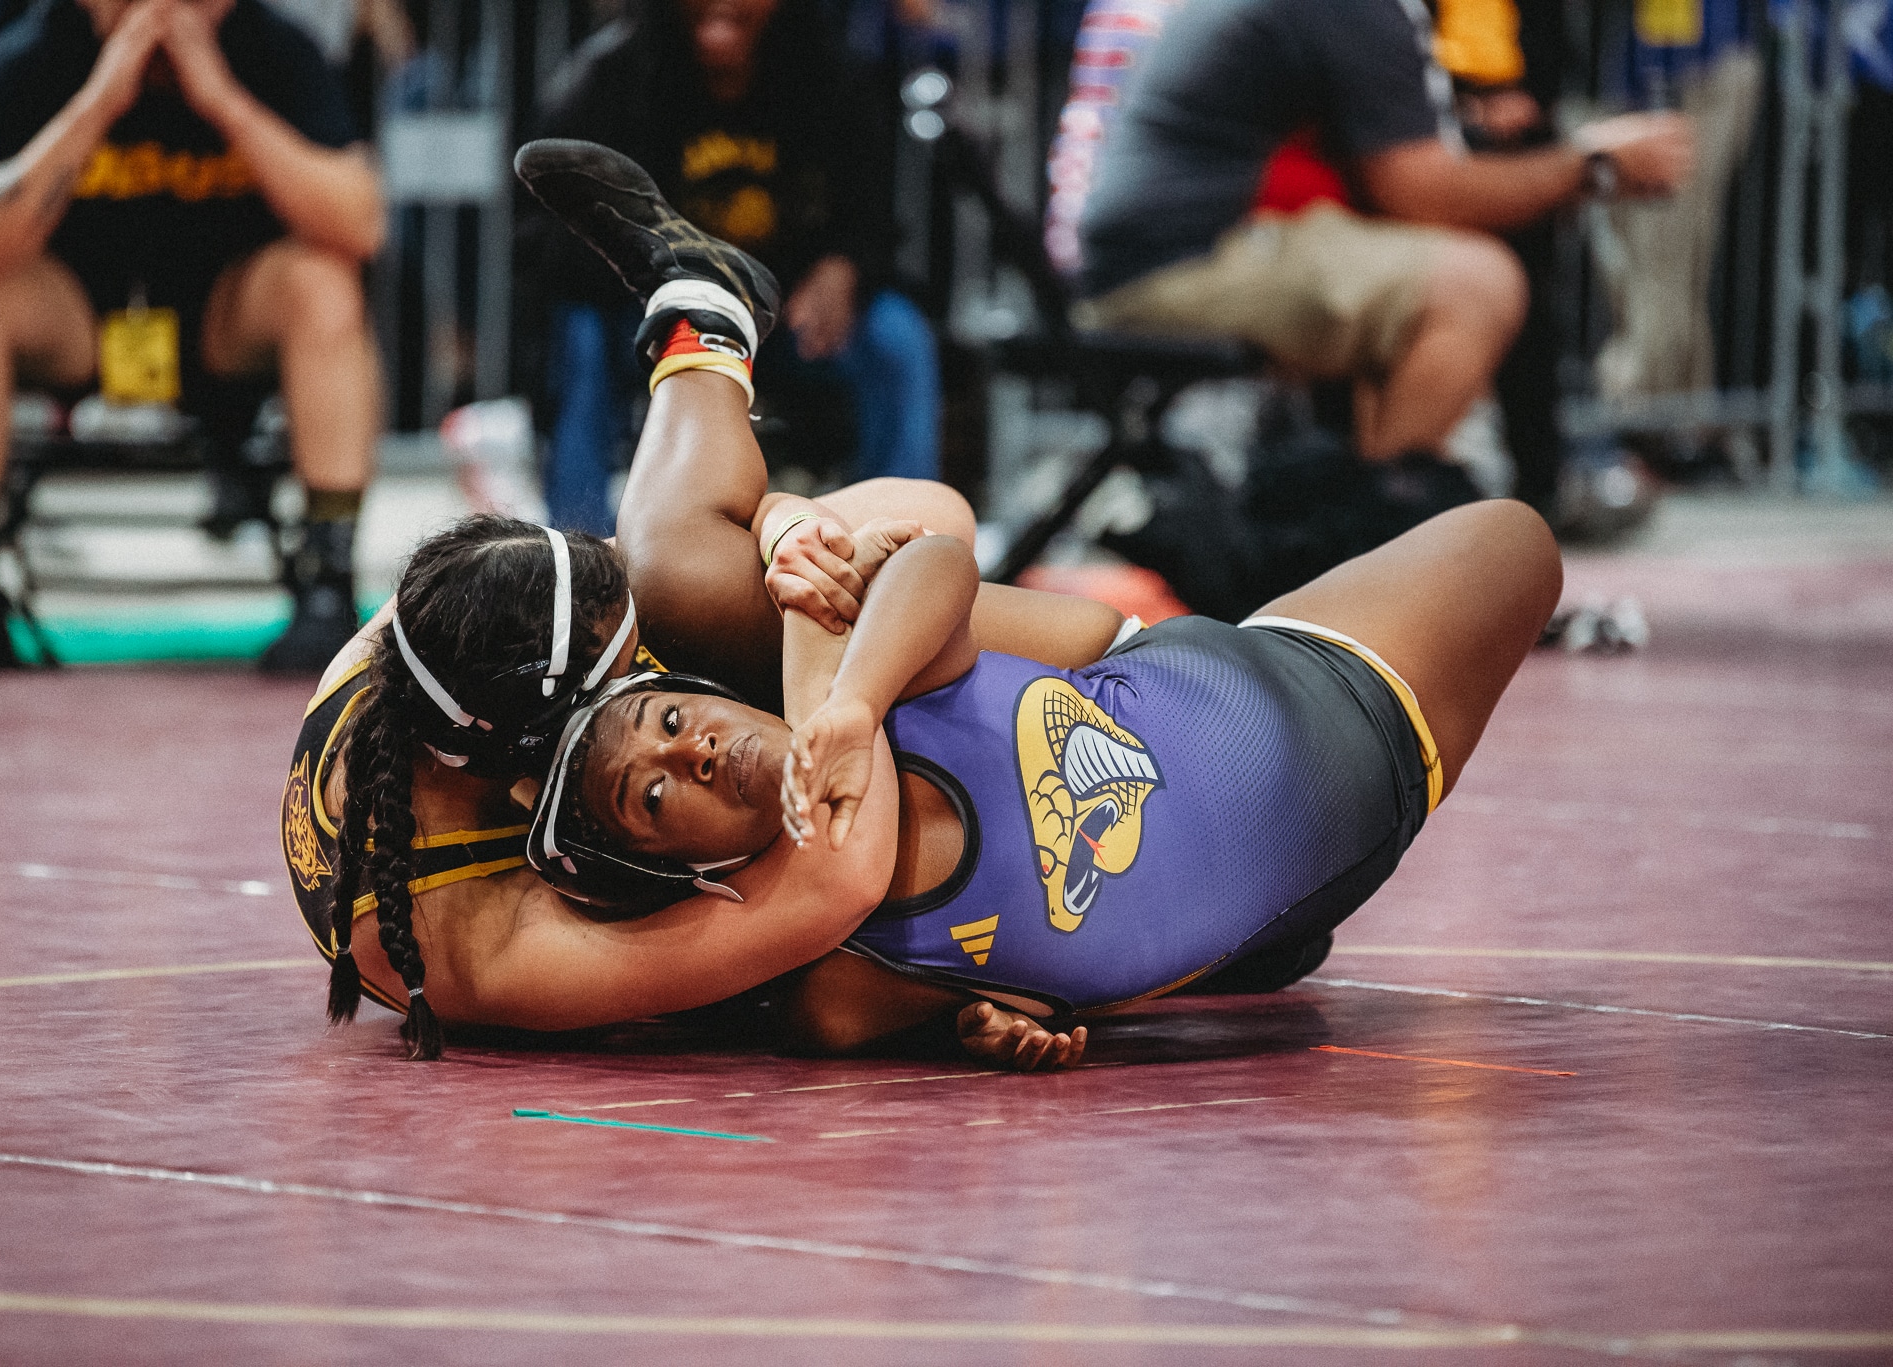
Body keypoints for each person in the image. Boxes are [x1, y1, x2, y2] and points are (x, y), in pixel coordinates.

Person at [288, 141, 1559, 1070]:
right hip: (1275, 787)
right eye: (656, 788)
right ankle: (705, 325)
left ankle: (702, 312)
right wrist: (994, 1002)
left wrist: (806, 571)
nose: (683, 730)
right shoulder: (476, 945)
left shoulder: (465, 638)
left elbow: (932, 535)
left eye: (662, 700)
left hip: (1207, 683)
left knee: (1512, 541)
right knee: (694, 580)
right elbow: (816, 916)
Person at [0, 0, 384, 673]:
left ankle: (327, 581)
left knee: (325, 282)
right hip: (80, 322)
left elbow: (360, 223)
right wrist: (100, 99)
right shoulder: (31, 56)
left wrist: (222, 99)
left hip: (223, 321)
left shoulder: (276, 51)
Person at [1068, 0, 1693, 482]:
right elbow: (1422, 191)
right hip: (1174, 263)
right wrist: (1593, 165)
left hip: (1156, 251)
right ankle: (1371, 541)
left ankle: (1371, 529)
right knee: (1478, 284)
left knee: (1412, 280)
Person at [527, 0, 938, 533]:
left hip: (786, 320)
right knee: (577, 333)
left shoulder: (830, 74)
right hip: (651, 319)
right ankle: (577, 551)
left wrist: (844, 265)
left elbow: (873, 219)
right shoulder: (609, 78)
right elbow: (548, 244)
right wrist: (667, 290)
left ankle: (896, 540)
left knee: (897, 335)